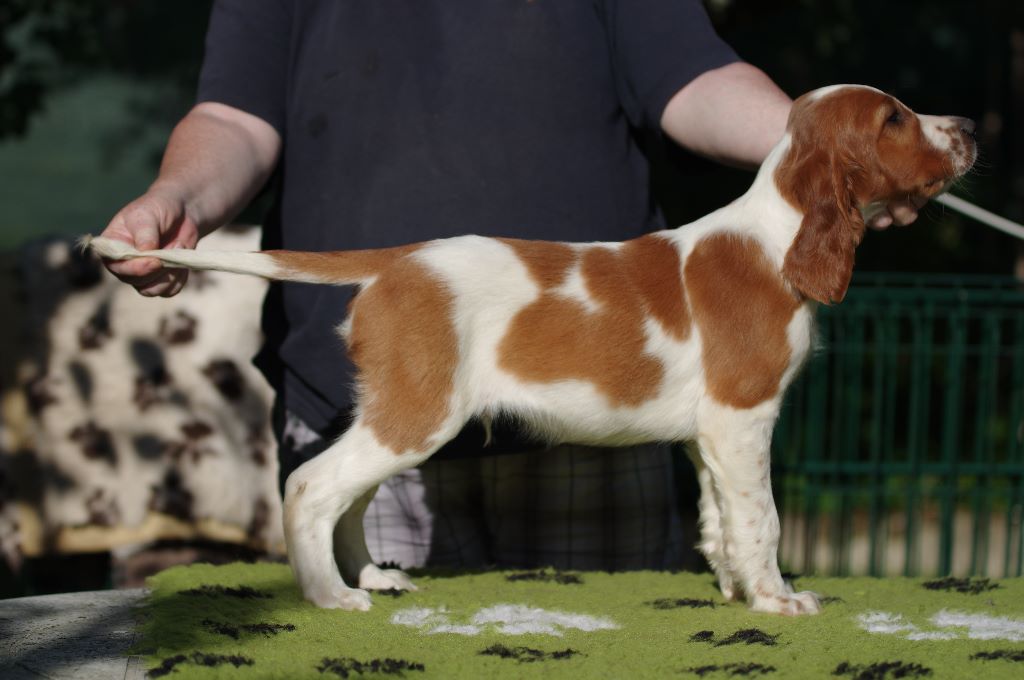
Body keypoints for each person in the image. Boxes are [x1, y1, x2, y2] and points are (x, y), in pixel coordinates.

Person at [99, 0, 922, 571]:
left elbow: (693, 77)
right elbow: (236, 115)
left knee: (618, 654)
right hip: (364, 381)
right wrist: (181, 197)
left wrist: (824, 165)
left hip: (605, 393)